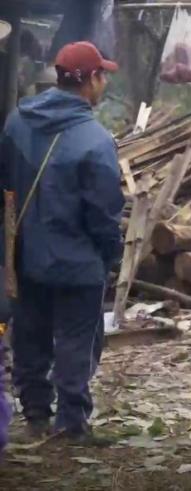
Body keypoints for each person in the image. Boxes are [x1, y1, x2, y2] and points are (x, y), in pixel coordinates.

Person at [1, 42, 124, 445]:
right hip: (78, 261)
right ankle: (71, 423)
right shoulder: (95, 139)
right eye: (102, 75)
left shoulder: (17, 121)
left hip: (25, 255)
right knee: (76, 341)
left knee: (29, 334)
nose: (103, 82)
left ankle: (35, 411)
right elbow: (104, 213)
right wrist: (111, 254)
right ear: (90, 80)